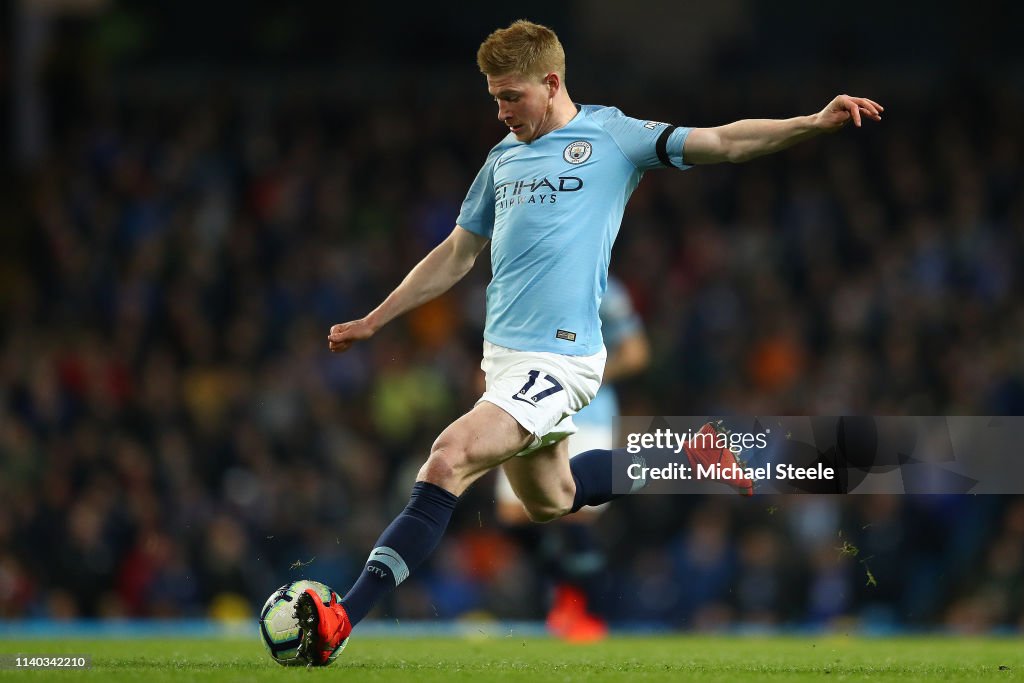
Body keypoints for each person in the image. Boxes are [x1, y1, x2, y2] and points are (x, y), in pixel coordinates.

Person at [294, 20, 883, 664]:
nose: (501, 111)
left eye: (511, 96)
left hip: (563, 357)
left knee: (448, 457)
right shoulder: (502, 159)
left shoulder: (612, 136)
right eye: (493, 97)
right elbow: (458, 253)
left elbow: (723, 141)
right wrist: (377, 318)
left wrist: (811, 122)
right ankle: (683, 458)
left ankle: (344, 617)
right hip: (506, 362)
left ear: (551, 83)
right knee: (553, 501)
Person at [494, 275, 649, 641]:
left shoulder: (604, 287)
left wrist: (579, 382)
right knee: (514, 517)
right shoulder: (518, 280)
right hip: (528, 408)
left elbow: (636, 351)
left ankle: (589, 612)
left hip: (585, 412)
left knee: (574, 516)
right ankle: (567, 591)